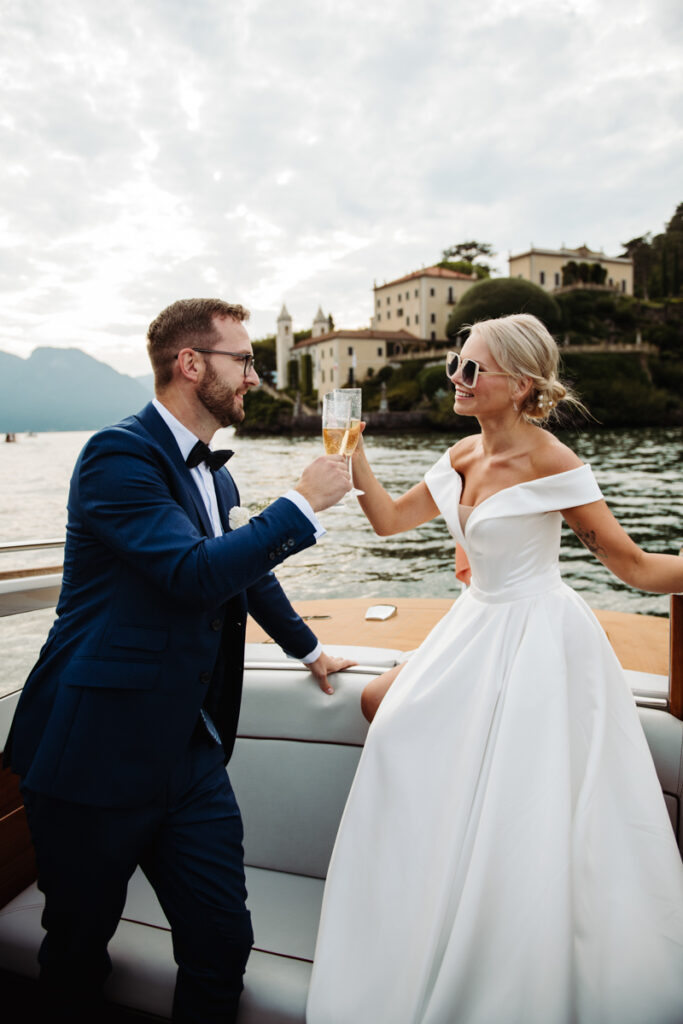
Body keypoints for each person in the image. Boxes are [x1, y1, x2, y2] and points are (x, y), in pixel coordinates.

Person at [306, 313, 683, 1024]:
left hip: (540, 635)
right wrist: (351, 450)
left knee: (523, 799)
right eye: (455, 364)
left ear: (519, 384)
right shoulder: (458, 456)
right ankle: (421, 905)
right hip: (474, 622)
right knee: (384, 713)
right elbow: (386, 521)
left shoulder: (555, 463)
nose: (455, 377)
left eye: (471, 369)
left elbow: (630, 566)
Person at [5, 297, 354, 1024]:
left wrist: (310, 648)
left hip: (187, 753)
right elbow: (191, 572)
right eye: (245, 360)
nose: (255, 377)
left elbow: (244, 574)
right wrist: (300, 503)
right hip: (91, 753)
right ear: (191, 365)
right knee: (76, 950)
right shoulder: (116, 454)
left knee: (221, 942)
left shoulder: (218, 477)